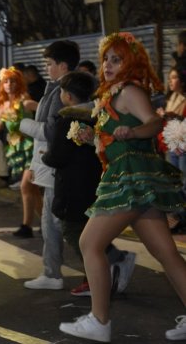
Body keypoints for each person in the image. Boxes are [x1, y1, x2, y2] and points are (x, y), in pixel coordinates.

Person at [59, 32, 186, 342]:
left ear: (130, 62)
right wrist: (94, 139)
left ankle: (99, 321)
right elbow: (112, 139)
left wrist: (135, 130)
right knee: (165, 252)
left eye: (116, 59)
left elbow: (154, 123)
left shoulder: (129, 91)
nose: (108, 64)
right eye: (106, 59)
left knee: (90, 244)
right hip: (129, 174)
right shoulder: (111, 95)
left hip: (131, 176)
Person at [42, 71, 135, 297]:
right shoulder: (100, 115)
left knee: (75, 232)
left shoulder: (67, 120)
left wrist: (45, 156)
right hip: (95, 182)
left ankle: (105, 270)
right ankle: (101, 271)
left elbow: (58, 157)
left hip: (73, 186)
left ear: (68, 96)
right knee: (88, 230)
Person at [20, 40, 80, 289]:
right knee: (52, 222)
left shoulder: (63, 91)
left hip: (57, 164)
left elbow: (53, 131)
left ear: (63, 65)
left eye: (49, 64)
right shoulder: (56, 88)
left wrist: (22, 124)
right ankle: (52, 272)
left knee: (60, 223)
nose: (47, 68)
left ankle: (111, 260)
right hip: (49, 163)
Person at [0, 66, 40, 238]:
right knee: (33, 189)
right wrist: (3, 114)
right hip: (16, 149)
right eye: (6, 81)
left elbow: (44, 110)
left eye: (12, 81)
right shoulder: (3, 105)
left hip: (31, 147)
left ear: (18, 83)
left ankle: (26, 226)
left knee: (25, 186)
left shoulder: (24, 100)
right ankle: (45, 224)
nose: (9, 84)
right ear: (2, 84)